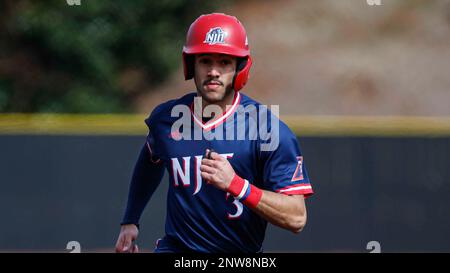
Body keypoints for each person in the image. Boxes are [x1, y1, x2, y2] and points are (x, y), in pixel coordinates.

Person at [115, 13, 314, 253]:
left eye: (224, 62)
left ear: (240, 68)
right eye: (205, 61)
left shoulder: (267, 129)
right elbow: (150, 159)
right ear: (191, 65)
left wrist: (238, 185)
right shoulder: (166, 120)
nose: (213, 71)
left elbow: (296, 218)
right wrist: (130, 220)